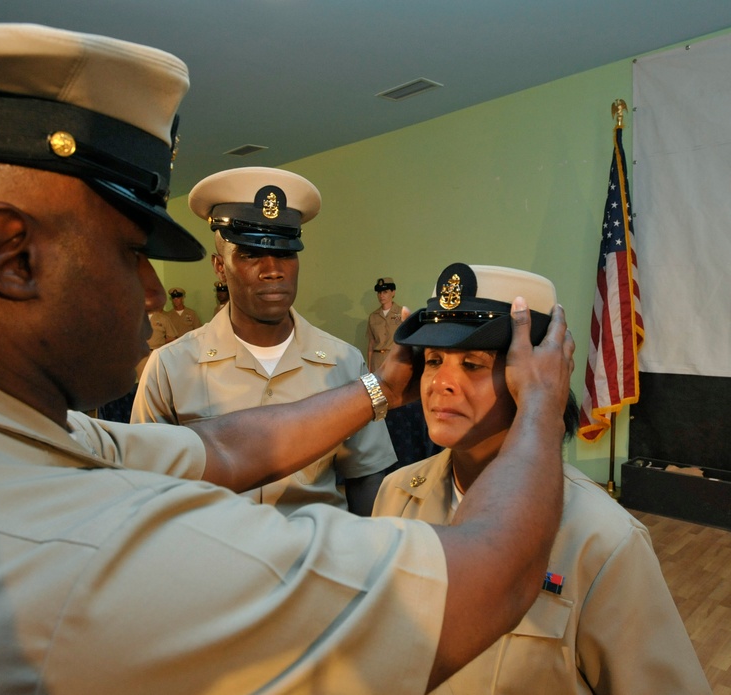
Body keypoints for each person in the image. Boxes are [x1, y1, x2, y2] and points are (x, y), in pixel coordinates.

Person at [0, 20, 576, 695]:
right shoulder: (64, 550)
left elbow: (226, 447)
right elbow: (489, 578)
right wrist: (539, 401)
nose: (150, 290)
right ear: (14, 254)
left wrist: (377, 385)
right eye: (126, 251)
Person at [373, 262, 711, 695]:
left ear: (536, 375)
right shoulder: (398, 492)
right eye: (434, 360)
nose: (442, 382)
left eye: (473, 364)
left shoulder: (601, 538)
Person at [132, 167, 397, 516]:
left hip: (314, 560)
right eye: (250, 254)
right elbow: (143, 487)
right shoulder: (170, 366)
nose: (273, 269)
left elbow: (366, 477)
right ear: (218, 266)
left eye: (286, 253)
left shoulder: (343, 362)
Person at [368, 275, 441, 469]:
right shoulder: (373, 317)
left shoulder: (400, 313)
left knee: (401, 412)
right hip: (378, 360)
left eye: (385, 291)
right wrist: (369, 369)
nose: (382, 295)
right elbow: (371, 344)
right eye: (379, 292)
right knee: (379, 412)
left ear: (392, 292)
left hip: (396, 360)